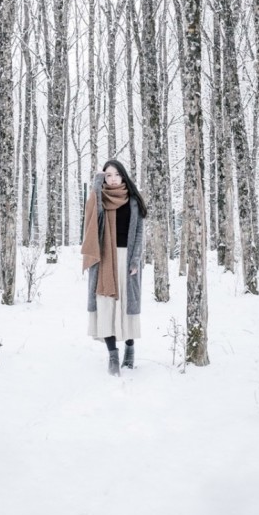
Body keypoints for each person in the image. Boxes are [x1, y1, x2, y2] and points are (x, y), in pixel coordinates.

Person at [81, 159, 147, 376]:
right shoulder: (99, 199)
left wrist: (136, 260)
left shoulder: (133, 201)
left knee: (127, 305)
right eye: (108, 175)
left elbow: (138, 233)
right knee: (106, 306)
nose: (113, 179)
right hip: (104, 260)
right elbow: (93, 218)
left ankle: (130, 348)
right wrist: (96, 183)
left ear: (123, 175)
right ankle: (112, 356)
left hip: (127, 261)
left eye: (116, 174)